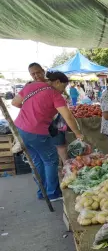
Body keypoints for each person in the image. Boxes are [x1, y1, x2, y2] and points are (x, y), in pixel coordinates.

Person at [12, 71, 83, 201]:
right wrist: (78, 133)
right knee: (51, 161)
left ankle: (42, 192)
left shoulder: (32, 86)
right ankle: (52, 194)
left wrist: (31, 110)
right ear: (57, 82)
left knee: (38, 162)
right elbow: (68, 117)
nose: (63, 90)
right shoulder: (55, 95)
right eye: (63, 86)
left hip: (20, 129)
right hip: (37, 132)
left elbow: (15, 103)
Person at [27, 63, 69, 165]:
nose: (36, 76)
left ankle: (66, 167)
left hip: (56, 120)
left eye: (38, 72)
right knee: (47, 149)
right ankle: (57, 167)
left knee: (60, 145)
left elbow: (65, 96)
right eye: (33, 74)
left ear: (43, 71)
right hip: (39, 122)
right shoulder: (29, 86)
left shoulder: (53, 83)